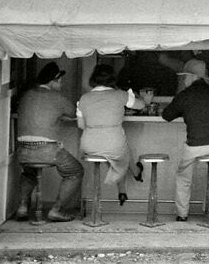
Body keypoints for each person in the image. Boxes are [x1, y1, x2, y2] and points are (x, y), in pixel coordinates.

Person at [161, 59, 209, 221]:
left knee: (183, 177)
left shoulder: (185, 95)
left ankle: (182, 215)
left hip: (194, 145)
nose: (183, 80)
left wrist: (184, 110)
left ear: (191, 77)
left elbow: (167, 116)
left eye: (184, 76)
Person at [16, 62, 84, 222]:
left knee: (29, 172)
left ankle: (22, 207)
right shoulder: (57, 97)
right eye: (59, 81)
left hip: (23, 151)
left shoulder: (26, 95)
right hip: (47, 151)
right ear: (53, 80)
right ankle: (56, 210)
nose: (61, 84)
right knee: (75, 171)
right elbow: (74, 113)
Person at [77, 64, 146, 206]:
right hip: (114, 144)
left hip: (89, 145)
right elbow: (141, 105)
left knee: (114, 152)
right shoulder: (120, 94)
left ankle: (122, 190)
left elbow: (80, 125)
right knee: (119, 150)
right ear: (113, 79)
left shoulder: (84, 98)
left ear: (93, 78)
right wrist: (145, 98)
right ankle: (136, 172)